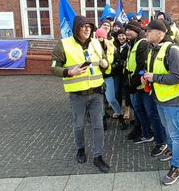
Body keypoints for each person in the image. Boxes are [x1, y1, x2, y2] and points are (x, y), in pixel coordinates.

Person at [51, 15, 110, 173]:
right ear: (76, 28)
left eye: (89, 27)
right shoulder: (63, 44)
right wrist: (69, 71)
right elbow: (54, 67)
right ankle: (80, 149)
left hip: (97, 93)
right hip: (77, 95)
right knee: (79, 125)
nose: (87, 29)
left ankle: (98, 156)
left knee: (98, 126)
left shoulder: (96, 43)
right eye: (83, 26)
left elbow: (104, 62)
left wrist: (106, 64)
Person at [143, 20, 179, 185]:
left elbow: (178, 77)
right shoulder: (153, 49)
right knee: (168, 130)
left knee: (175, 133)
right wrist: (147, 76)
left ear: (160, 33)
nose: (146, 33)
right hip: (160, 97)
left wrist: (154, 77)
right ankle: (171, 151)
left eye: (149, 31)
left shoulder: (173, 50)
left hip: (172, 99)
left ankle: (177, 167)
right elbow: (156, 71)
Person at [125, 20, 167, 157]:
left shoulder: (143, 43)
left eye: (129, 30)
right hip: (140, 83)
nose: (126, 33)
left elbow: (142, 67)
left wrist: (135, 83)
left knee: (152, 114)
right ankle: (148, 134)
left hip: (144, 86)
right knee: (142, 111)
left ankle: (161, 142)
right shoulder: (136, 43)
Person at [96, 21, 127, 130]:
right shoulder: (91, 47)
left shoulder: (111, 46)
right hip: (95, 77)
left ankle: (120, 117)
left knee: (111, 99)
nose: (100, 39)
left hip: (108, 76)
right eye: (98, 37)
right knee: (99, 100)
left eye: (102, 37)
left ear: (105, 37)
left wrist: (108, 66)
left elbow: (118, 61)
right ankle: (102, 120)